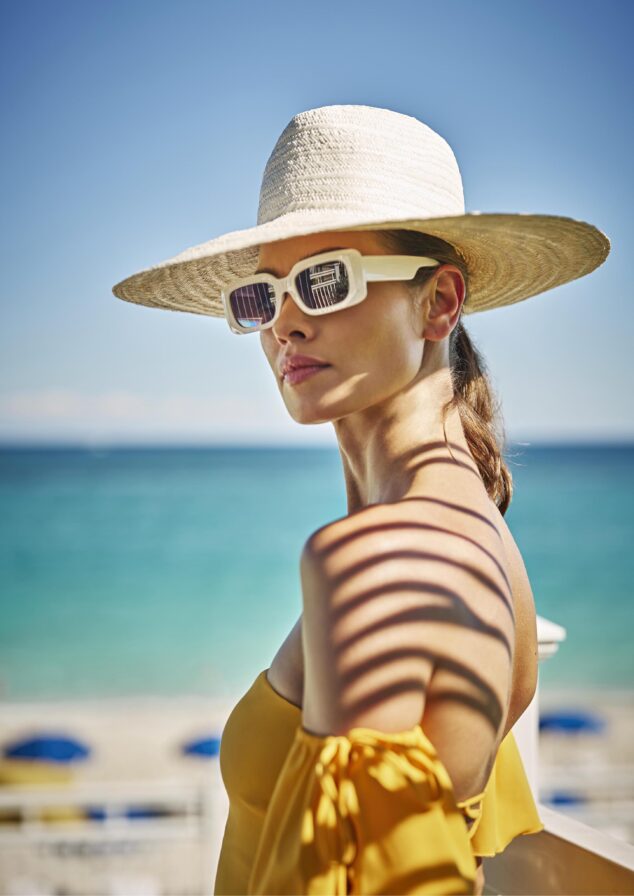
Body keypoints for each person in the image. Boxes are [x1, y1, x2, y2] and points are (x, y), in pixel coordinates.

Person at [113, 104, 610, 895]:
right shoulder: (460, 535)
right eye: (262, 296)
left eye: (322, 280)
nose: (286, 325)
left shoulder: (388, 557)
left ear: (439, 303)